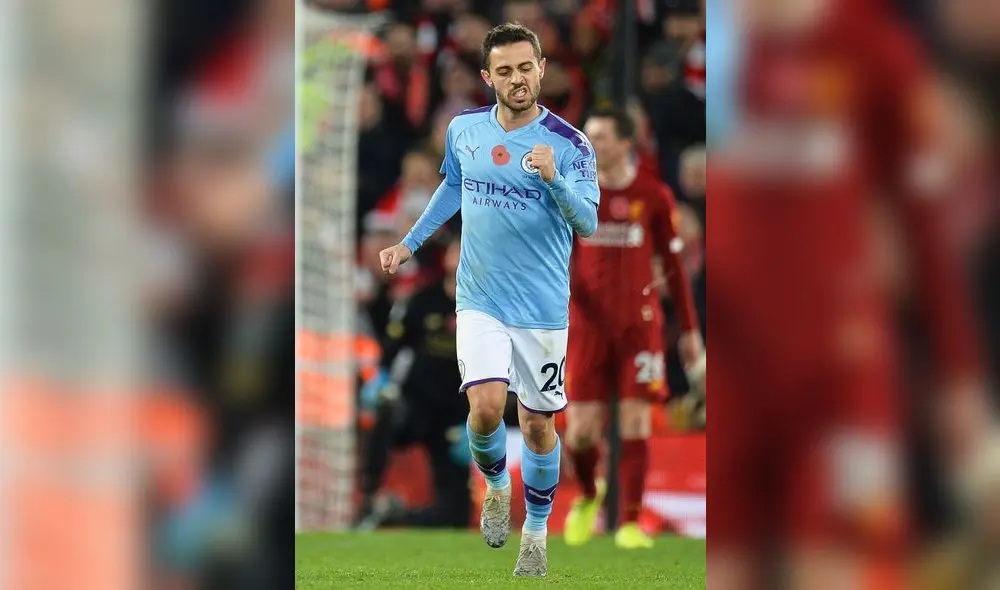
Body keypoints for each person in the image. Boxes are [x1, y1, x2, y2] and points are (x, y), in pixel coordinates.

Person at [378, 22, 599, 577]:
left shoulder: (571, 145)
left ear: (543, 68)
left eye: (526, 67)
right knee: (483, 409)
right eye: (505, 71)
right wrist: (408, 244)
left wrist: (554, 178)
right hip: (480, 299)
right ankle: (498, 486)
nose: (518, 78)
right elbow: (452, 186)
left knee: (539, 428)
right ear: (487, 77)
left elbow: (589, 222)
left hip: (544, 308)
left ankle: (537, 532)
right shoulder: (464, 130)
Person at [562, 107, 705, 550]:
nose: (592, 144)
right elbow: (560, 260)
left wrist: (689, 331)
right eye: (588, 137)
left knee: (636, 420)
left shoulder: (653, 195)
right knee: (581, 431)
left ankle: (627, 522)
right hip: (586, 328)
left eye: (601, 136)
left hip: (639, 327)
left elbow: (675, 269)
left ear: (626, 143)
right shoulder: (573, 192)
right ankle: (589, 494)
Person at [356, 237, 472, 530]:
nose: (460, 256)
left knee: (456, 515)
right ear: (445, 258)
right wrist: (380, 380)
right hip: (417, 404)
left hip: (456, 415)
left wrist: (480, 421)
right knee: (388, 411)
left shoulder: (485, 308)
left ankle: (400, 519)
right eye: (457, 249)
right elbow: (393, 347)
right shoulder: (423, 301)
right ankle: (370, 494)